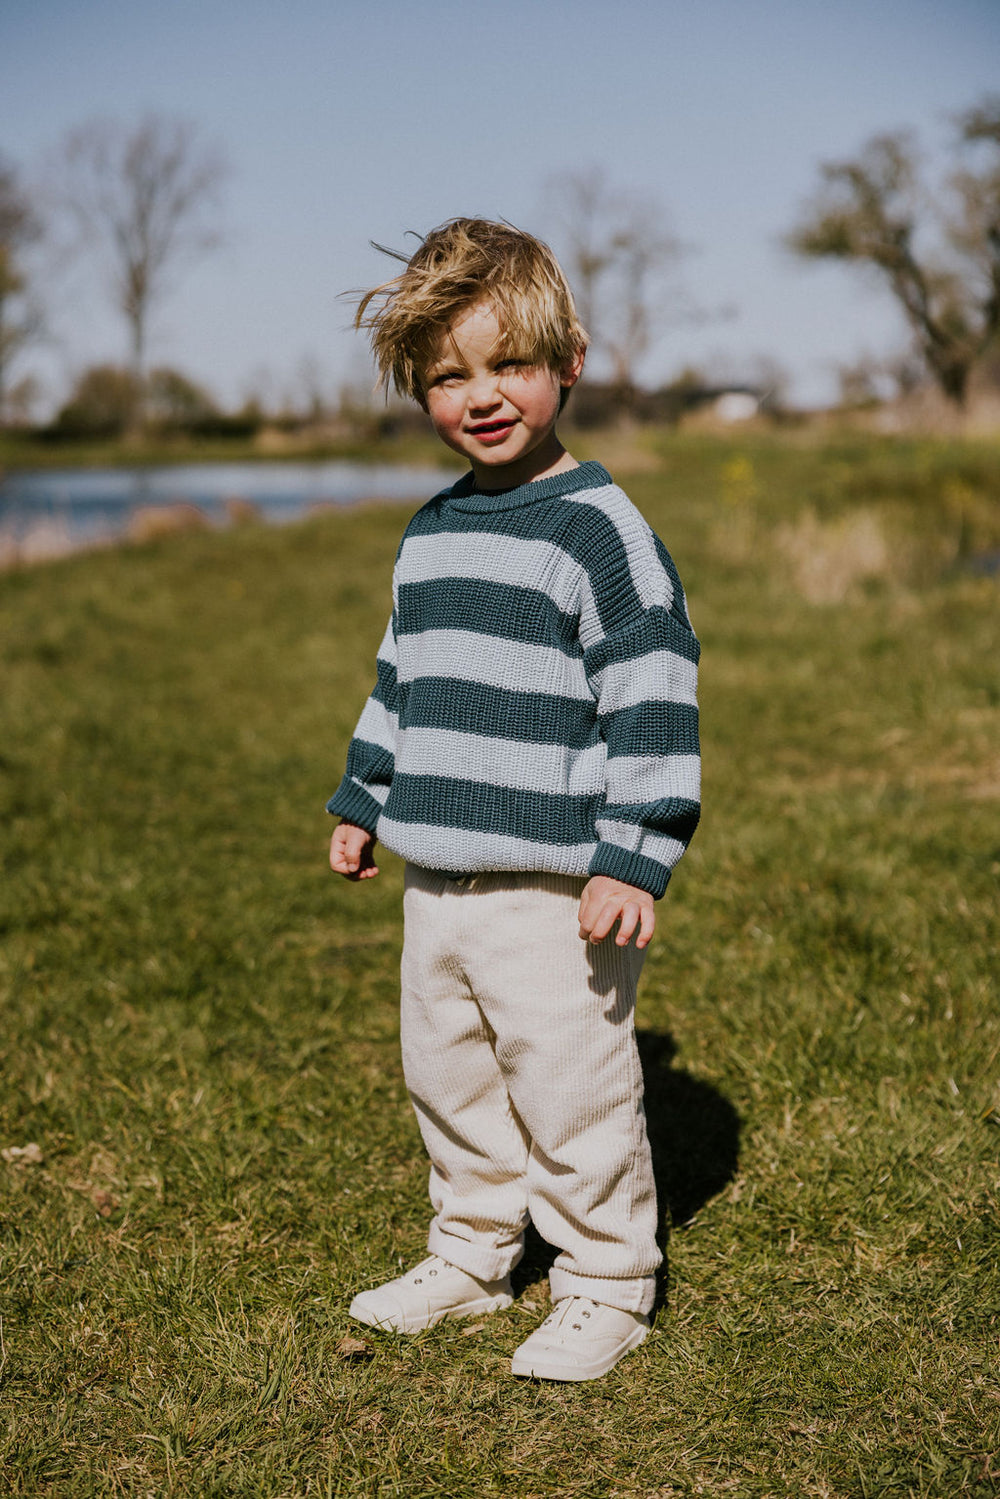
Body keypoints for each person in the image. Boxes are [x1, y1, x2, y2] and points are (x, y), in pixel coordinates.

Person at [327, 218, 700, 1382]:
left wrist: (633, 853)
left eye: (510, 365)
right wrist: (363, 792)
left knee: (571, 1084)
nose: (482, 396)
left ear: (569, 363)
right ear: (416, 387)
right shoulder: (430, 533)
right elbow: (402, 677)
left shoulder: (599, 529)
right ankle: (474, 1250)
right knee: (452, 1078)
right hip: (437, 880)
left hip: (553, 887)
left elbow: (653, 694)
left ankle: (603, 1280)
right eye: (449, 374)